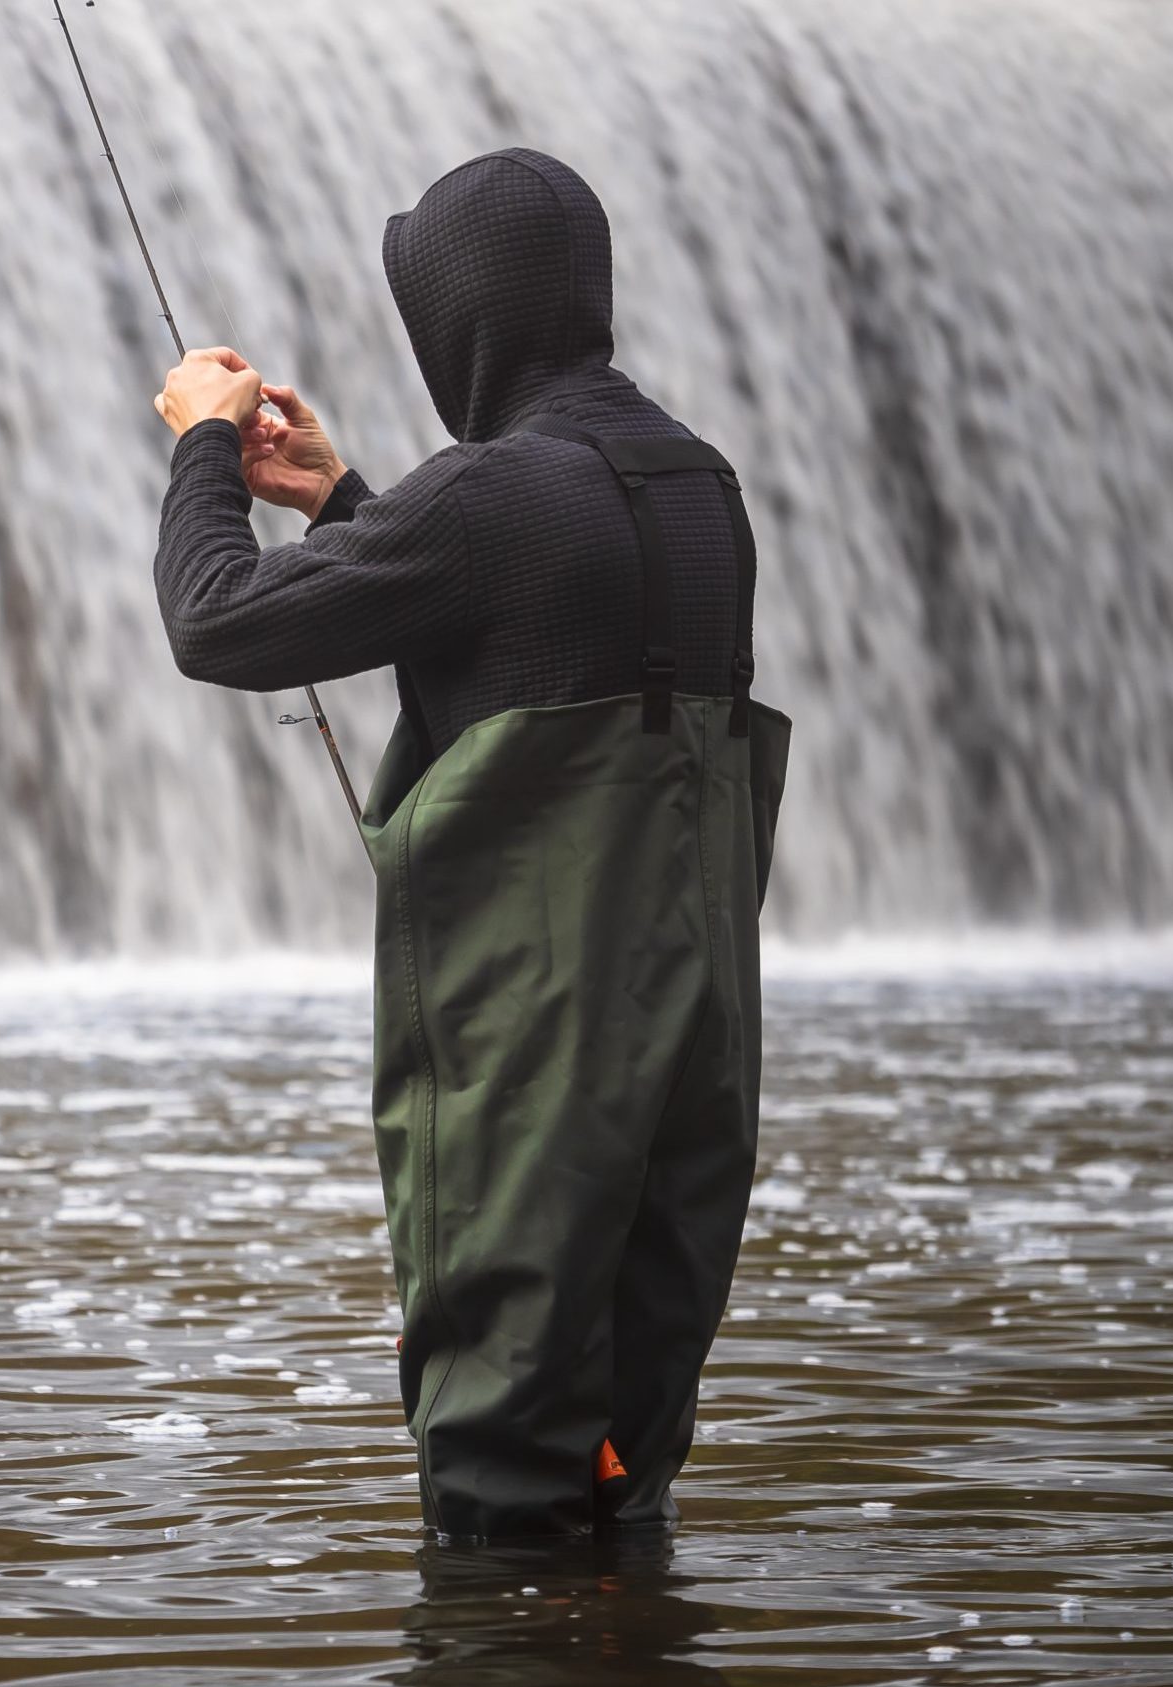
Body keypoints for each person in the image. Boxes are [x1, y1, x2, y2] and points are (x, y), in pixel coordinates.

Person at [150, 148, 790, 1545]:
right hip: (690, 1059)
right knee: (622, 1464)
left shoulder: (489, 496)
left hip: (532, 1069)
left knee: (501, 1484)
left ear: (468, 318)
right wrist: (342, 501)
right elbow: (532, 637)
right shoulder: (700, 486)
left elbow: (215, 622)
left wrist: (205, 442)